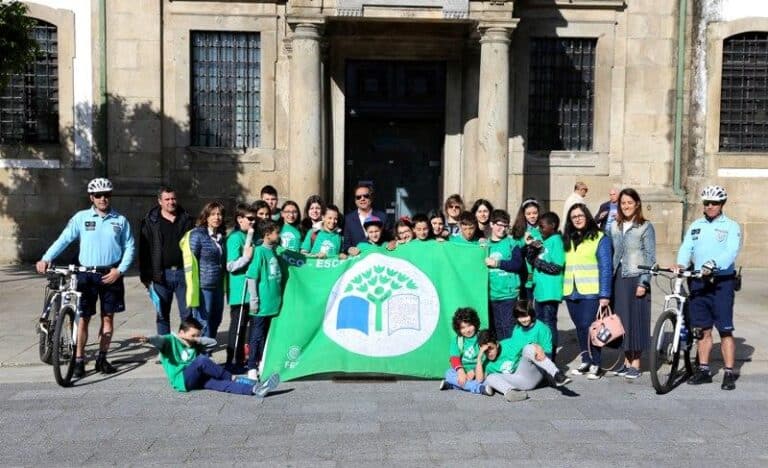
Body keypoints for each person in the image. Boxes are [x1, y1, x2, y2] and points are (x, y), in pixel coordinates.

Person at [36, 177, 135, 378]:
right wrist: (46, 258)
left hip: (110, 274)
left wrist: (119, 270)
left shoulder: (120, 220)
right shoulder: (81, 218)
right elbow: (64, 239)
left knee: (108, 317)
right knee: (84, 319)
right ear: (91, 197)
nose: (103, 198)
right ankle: (79, 360)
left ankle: (102, 358)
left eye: (106, 194)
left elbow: (130, 247)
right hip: (85, 274)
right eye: (98, 195)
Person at [675, 185, 742, 390]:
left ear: (722, 205)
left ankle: (729, 372)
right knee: (703, 329)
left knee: (724, 329)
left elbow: (731, 251)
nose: (710, 206)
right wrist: (681, 263)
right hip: (698, 281)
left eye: (714, 203)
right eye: (707, 203)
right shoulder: (696, 225)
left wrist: (713, 264)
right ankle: (703, 370)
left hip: (721, 281)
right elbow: (687, 247)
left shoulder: (731, 226)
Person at [132, 318, 280, 397]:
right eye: (193, 335)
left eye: (198, 335)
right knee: (203, 361)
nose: (196, 338)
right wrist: (148, 340)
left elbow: (212, 343)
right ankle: (238, 379)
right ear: (181, 332)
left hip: (196, 377)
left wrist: (196, 340)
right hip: (181, 380)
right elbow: (159, 340)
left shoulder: (194, 343)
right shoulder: (169, 341)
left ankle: (255, 389)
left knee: (222, 385)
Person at [562, 203, 612, 380]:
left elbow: (606, 267)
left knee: (590, 327)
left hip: (591, 292)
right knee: (580, 328)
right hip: (571, 290)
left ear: (587, 216)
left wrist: (605, 294)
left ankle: (596, 363)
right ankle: (585, 360)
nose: (577, 219)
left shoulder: (600, 237)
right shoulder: (567, 238)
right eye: (574, 216)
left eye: (580, 215)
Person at [479, 306, 571, 402]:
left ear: (497, 344)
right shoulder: (486, 362)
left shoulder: (508, 344)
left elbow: (524, 345)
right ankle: (511, 393)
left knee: (528, 348)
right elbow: (479, 380)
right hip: (517, 382)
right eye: (485, 351)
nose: (489, 352)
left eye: (491, 348)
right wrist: (479, 357)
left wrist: (536, 345)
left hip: (529, 373)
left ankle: (556, 374)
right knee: (490, 378)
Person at [609, 188, 655, 380]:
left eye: (629, 202)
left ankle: (636, 363)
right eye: (623, 203)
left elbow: (651, 256)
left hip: (636, 277)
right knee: (622, 321)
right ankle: (626, 361)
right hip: (619, 277)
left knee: (636, 320)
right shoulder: (615, 226)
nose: (626, 206)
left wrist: (644, 282)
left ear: (637, 204)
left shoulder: (645, 226)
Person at [139, 186, 194, 336]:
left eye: (173, 198)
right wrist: (145, 276)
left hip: (184, 274)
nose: (171, 202)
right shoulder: (150, 222)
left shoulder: (187, 220)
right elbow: (143, 250)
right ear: (160, 201)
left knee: (187, 315)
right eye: (167, 199)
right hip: (161, 275)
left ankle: (186, 348)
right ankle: (165, 351)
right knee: (162, 315)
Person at [245, 219, 283, 381]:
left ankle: (262, 363)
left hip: (273, 303)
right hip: (262, 304)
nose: (278, 235)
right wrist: (254, 299)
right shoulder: (260, 252)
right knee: (257, 335)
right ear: (267, 234)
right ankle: (252, 366)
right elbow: (252, 276)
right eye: (276, 232)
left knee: (266, 336)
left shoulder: (274, 250)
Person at [525, 212, 565, 362]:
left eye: (542, 226)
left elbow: (556, 267)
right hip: (539, 291)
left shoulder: (556, 241)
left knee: (549, 323)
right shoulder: (543, 240)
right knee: (540, 323)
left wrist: (537, 262)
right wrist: (532, 248)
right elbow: (531, 259)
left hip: (550, 291)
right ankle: (543, 354)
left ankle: (550, 356)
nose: (540, 229)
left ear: (552, 226)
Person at [185, 202, 227, 340]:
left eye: (219, 214)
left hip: (218, 284)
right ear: (206, 217)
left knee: (216, 319)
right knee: (203, 321)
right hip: (204, 285)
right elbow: (191, 259)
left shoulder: (221, 237)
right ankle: (203, 355)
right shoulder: (198, 234)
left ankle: (208, 347)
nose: (217, 217)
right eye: (213, 214)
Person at [224, 204, 257, 371]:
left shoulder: (252, 235)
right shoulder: (235, 238)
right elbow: (230, 265)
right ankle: (232, 361)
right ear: (240, 219)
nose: (253, 221)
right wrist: (245, 258)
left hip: (251, 290)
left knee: (249, 327)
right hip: (239, 290)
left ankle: (243, 359)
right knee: (238, 326)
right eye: (250, 218)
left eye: (254, 218)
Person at [484, 209, 525, 340]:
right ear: (491, 224)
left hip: (508, 295)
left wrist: (497, 263)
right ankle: (500, 358)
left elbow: (517, 264)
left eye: (505, 226)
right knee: (495, 329)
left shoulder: (512, 243)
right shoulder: (484, 245)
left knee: (508, 328)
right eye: (499, 225)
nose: (502, 229)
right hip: (491, 295)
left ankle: (511, 358)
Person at [438, 307, 491, 395]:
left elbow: (487, 358)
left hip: (479, 369)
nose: (467, 330)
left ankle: (454, 385)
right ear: (458, 329)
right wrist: (461, 372)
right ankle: (478, 388)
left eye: (470, 325)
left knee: (488, 378)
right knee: (448, 373)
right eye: (463, 327)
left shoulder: (482, 337)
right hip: (464, 370)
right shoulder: (457, 340)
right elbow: (454, 358)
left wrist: (474, 371)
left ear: (475, 323)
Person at [342, 184, 389, 254]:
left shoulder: (382, 217)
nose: (362, 199)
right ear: (355, 200)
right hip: (358, 260)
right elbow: (346, 244)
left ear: (371, 198)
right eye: (358, 197)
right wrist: (349, 249)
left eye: (366, 196)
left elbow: (390, 239)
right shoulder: (348, 219)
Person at [511, 198, 542, 301]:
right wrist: (525, 241)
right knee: (527, 305)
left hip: (541, 271)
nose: (532, 216)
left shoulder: (543, 228)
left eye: (535, 213)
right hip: (526, 272)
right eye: (528, 214)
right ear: (523, 215)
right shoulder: (520, 229)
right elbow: (515, 248)